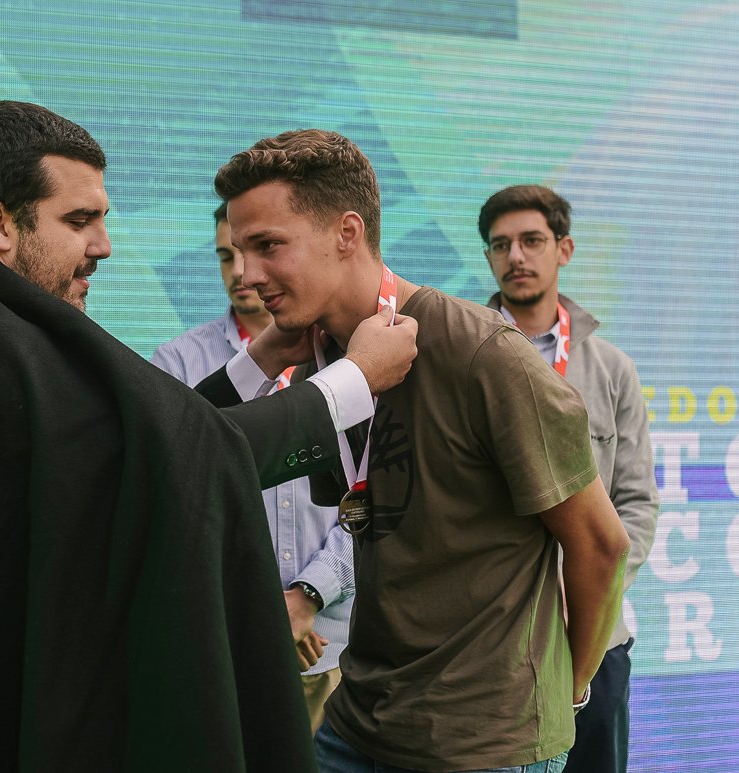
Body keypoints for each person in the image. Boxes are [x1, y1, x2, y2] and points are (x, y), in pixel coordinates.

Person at [0, 100, 417, 772]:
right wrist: (354, 380)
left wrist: (256, 363)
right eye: (79, 220)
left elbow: (137, 450)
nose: (103, 246)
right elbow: (178, 466)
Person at [198, 129, 632, 772]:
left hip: (480, 745)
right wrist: (262, 358)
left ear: (347, 233)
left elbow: (601, 543)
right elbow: (198, 456)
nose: (248, 275)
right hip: (359, 723)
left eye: (268, 246)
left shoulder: (480, 351)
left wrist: (564, 693)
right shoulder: (322, 361)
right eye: (239, 252)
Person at [152, 202, 353, 734]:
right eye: (227, 256)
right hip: (223, 645)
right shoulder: (176, 364)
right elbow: (171, 502)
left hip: (330, 649)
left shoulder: (353, 360)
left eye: (261, 251)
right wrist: (263, 611)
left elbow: (373, 498)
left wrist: (309, 595)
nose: (242, 273)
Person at [480, 184, 659, 773]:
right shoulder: (458, 357)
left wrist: (586, 588)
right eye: (500, 245)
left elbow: (636, 503)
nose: (515, 256)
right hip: (489, 643)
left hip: (593, 637)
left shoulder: (612, 369)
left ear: (565, 249)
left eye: (532, 240)